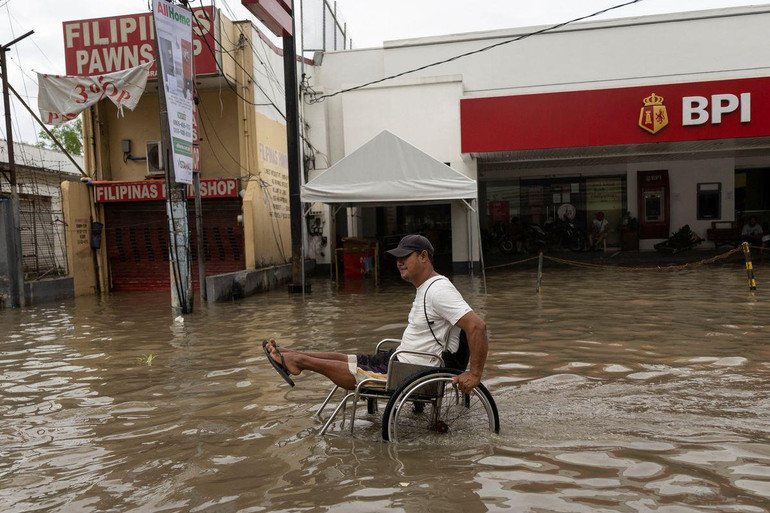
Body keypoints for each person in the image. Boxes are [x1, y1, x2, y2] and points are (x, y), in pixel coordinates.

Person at [263, 234, 488, 395]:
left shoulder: (438, 290)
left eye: (405, 257)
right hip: (401, 358)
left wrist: (475, 374)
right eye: (397, 258)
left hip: (413, 370)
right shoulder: (426, 288)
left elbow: (477, 326)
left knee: (355, 370)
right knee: (349, 358)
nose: (399, 262)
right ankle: (291, 353)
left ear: (423, 256)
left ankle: (298, 361)